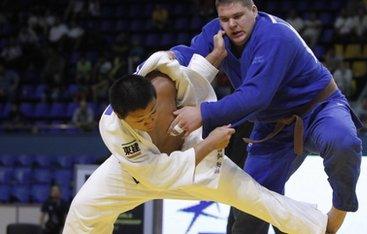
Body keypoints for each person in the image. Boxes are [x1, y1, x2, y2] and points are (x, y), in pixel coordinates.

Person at [63, 51, 328, 233]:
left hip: (198, 167)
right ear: (121, 117)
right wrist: (211, 143)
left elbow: (192, 79)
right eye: (140, 120)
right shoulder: (112, 129)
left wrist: (214, 55)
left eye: (152, 112)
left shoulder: (164, 83)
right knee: (84, 208)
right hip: (135, 175)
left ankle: (321, 227)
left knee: (259, 199)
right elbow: (157, 173)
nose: (149, 121)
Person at [167, 1, 363, 233]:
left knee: (344, 142)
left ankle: (339, 211)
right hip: (272, 125)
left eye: (238, 16)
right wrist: (166, 58)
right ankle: (306, 227)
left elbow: (256, 96)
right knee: (251, 208)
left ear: (254, 10)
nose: (232, 24)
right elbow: (190, 55)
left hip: (318, 108)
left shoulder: (274, 35)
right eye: (225, 18)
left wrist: (202, 112)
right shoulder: (216, 31)